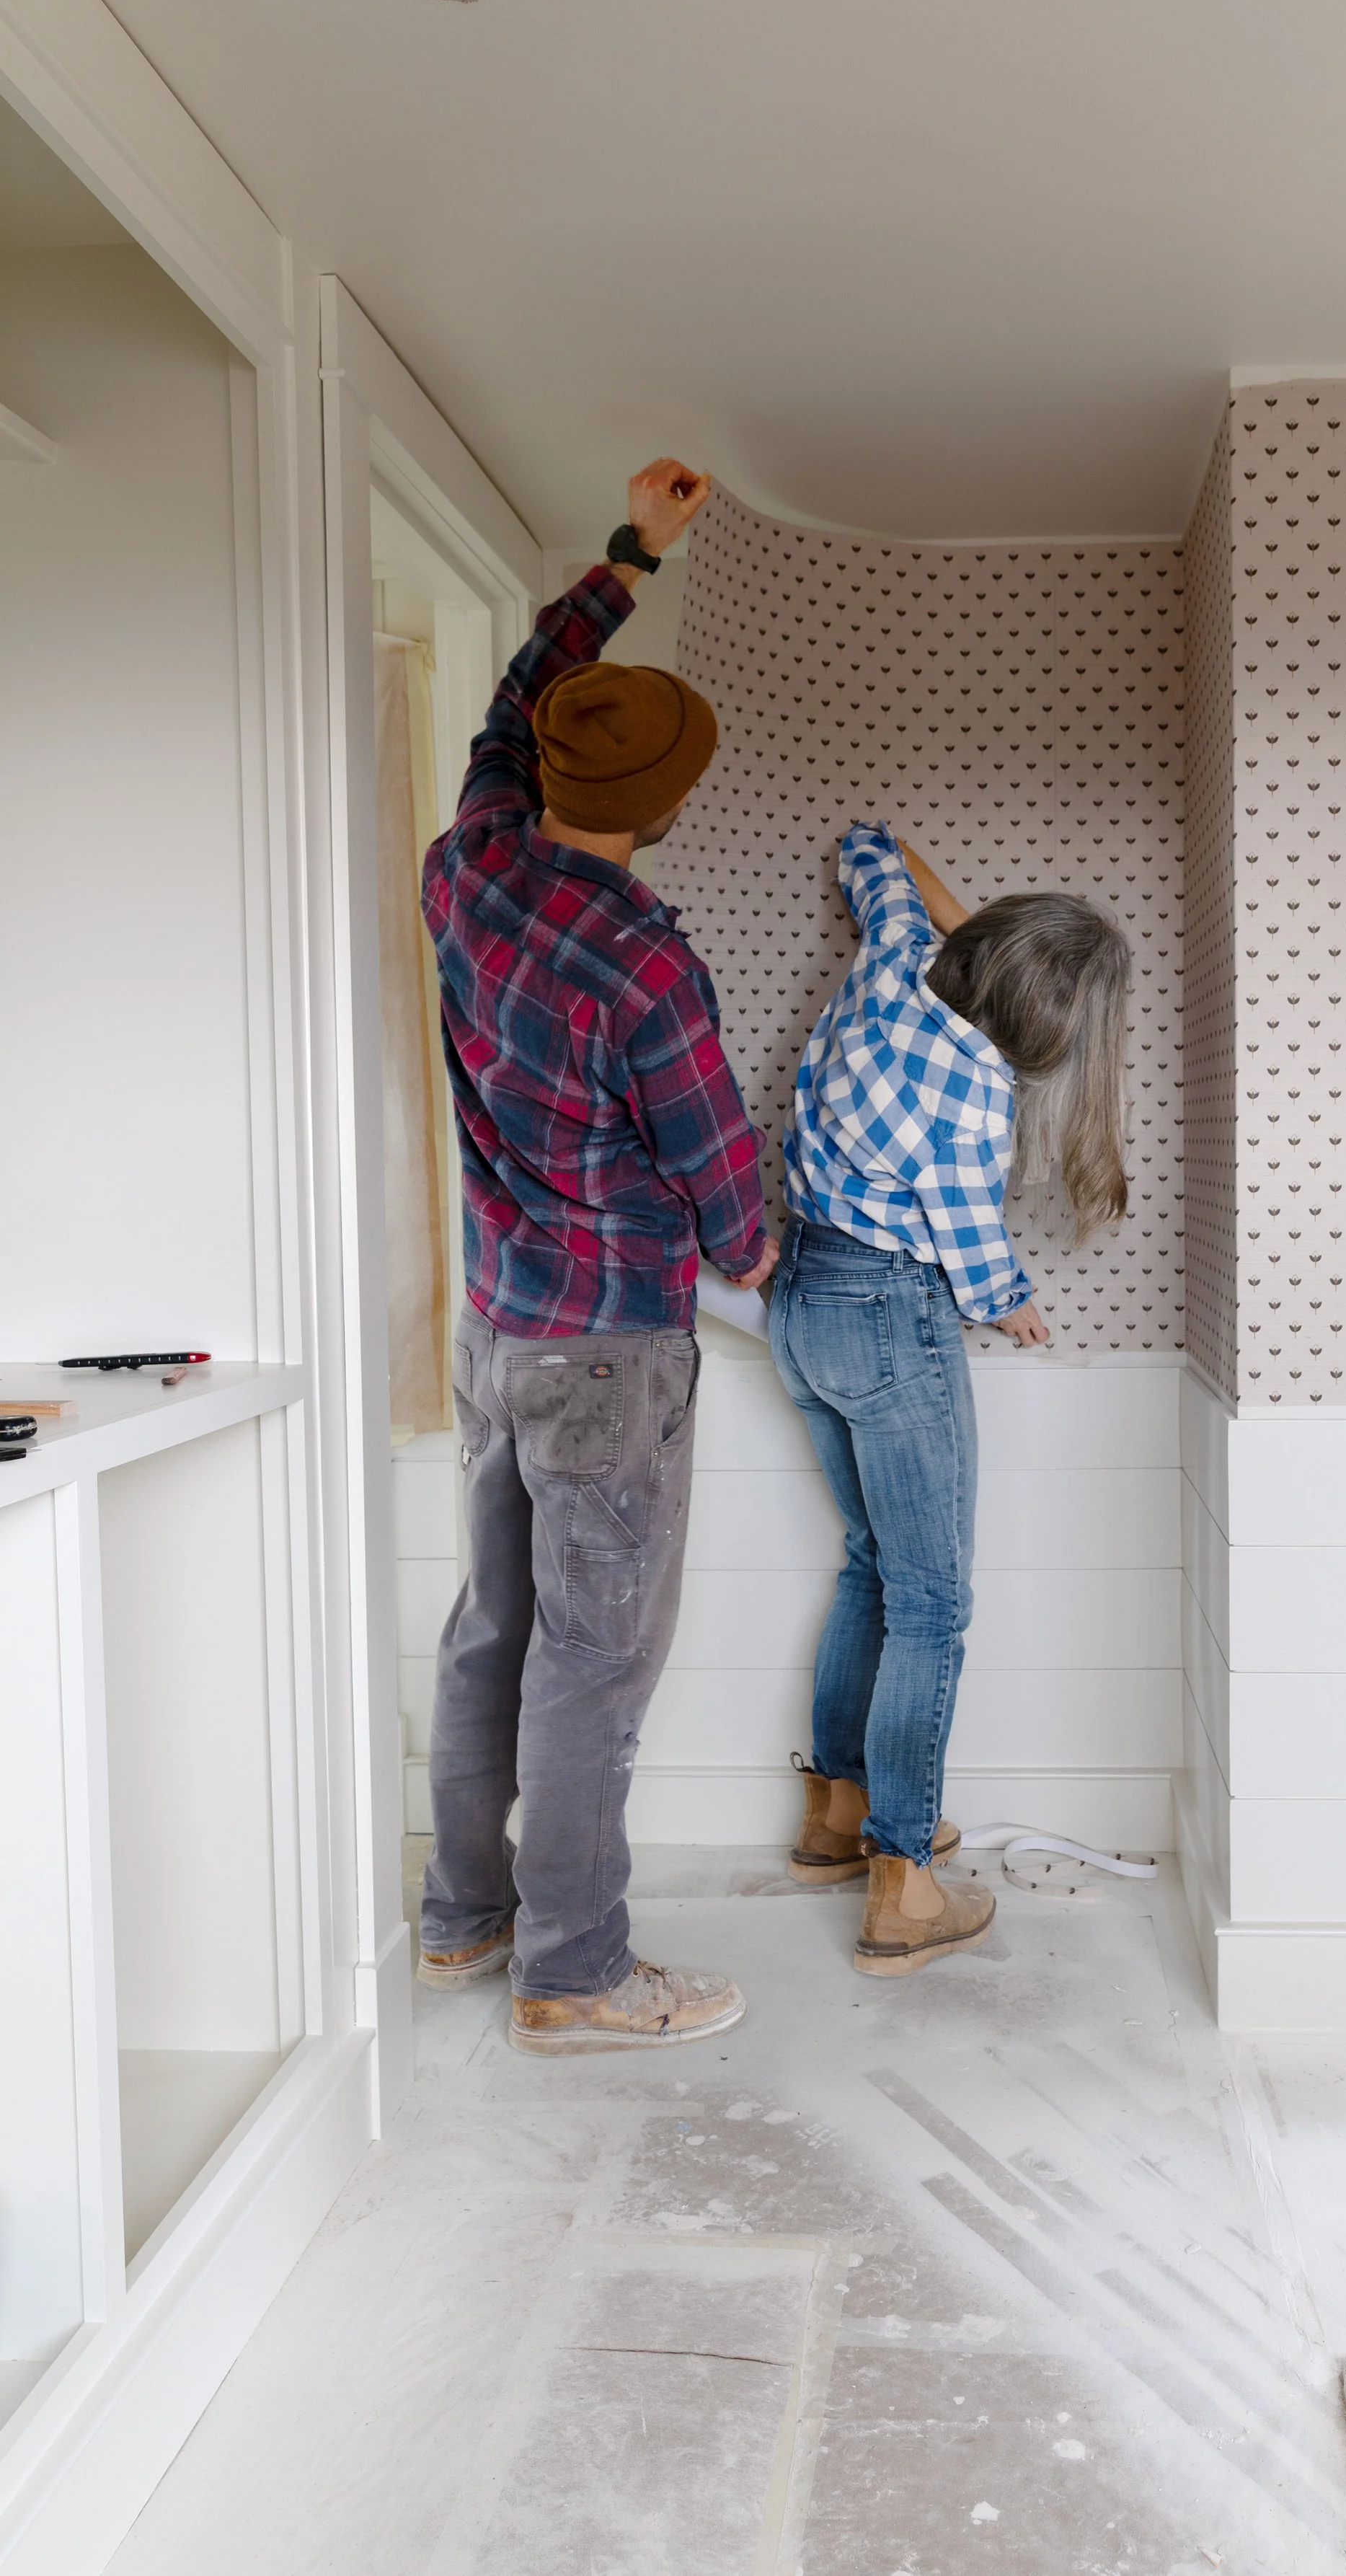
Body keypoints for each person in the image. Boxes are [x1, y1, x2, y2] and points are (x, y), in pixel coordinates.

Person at [415, 459, 779, 2053]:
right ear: (671, 811)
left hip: (496, 1328)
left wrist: (633, 556)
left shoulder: (468, 857)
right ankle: (569, 1974)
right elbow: (727, 1206)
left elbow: (517, 699)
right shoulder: (641, 966)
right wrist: (764, 1251)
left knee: (493, 1625)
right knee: (591, 1661)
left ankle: (460, 1920)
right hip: (600, 1358)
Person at [770, 821, 1130, 1975]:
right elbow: (971, 1247)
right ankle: (905, 1881)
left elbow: (874, 858)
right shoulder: (977, 1088)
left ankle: (837, 1813)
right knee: (933, 1600)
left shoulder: (891, 963)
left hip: (800, 1298)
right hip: (889, 1314)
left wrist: (935, 893)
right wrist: (1014, 1303)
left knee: (870, 1562)